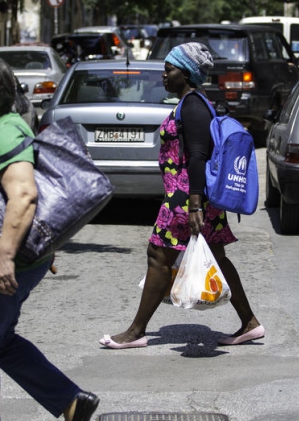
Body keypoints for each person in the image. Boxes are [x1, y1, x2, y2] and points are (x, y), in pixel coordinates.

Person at [0, 56, 99, 421]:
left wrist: (5, 257)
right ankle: (69, 401)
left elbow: (24, 195)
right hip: (6, 258)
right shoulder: (0, 127)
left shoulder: (6, 130)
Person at [99, 42, 264, 349]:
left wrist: (195, 205)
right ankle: (250, 323)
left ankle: (136, 332)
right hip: (192, 197)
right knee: (216, 257)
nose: (164, 75)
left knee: (158, 256)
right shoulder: (192, 103)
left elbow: (198, 155)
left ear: (186, 73)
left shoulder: (192, 105)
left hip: (186, 198)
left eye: (169, 70)